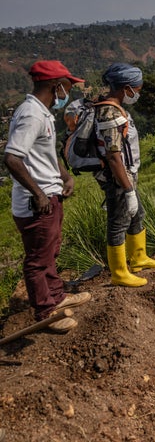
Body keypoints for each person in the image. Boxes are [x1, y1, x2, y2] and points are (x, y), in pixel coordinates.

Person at [4, 61, 91, 333]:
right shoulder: (30, 114)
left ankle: (57, 295)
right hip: (36, 203)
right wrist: (39, 193)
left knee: (50, 250)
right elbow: (12, 158)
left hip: (49, 196)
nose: (69, 92)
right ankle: (45, 311)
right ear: (56, 86)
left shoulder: (42, 113)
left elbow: (46, 155)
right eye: (68, 86)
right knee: (37, 259)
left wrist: (65, 176)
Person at [95, 63, 155, 288]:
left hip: (126, 175)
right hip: (117, 177)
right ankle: (119, 272)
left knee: (137, 214)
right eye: (138, 89)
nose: (138, 93)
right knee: (118, 222)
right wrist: (127, 189)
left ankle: (138, 258)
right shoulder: (109, 112)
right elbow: (113, 155)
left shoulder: (116, 109)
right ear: (126, 88)